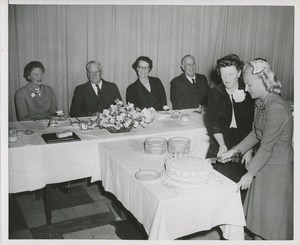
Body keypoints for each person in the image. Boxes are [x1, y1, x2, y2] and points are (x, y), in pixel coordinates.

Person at [220, 58, 293, 240]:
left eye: (249, 84)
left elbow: (267, 146)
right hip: (263, 164)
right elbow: (255, 133)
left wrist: (249, 173)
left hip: (277, 170)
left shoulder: (276, 107)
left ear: (262, 81)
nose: (246, 89)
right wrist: (235, 151)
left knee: (273, 225)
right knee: (260, 222)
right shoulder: (261, 103)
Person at [14, 61, 70, 193]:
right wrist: (42, 124)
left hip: (49, 126)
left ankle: (59, 180)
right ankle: (40, 183)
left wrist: (56, 118)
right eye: (35, 74)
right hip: (32, 130)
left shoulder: (49, 90)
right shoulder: (21, 93)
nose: (39, 77)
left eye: (41, 73)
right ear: (29, 76)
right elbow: (23, 119)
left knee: (60, 148)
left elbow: (54, 111)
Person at [206, 54, 255, 185]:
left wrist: (248, 149)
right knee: (219, 183)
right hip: (220, 140)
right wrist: (222, 145)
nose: (226, 79)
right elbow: (214, 124)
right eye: (223, 75)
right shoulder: (214, 94)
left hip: (244, 141)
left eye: (230, 74)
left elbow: (253, 125)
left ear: (239, 73)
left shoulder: (249, 91)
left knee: (242, 184)